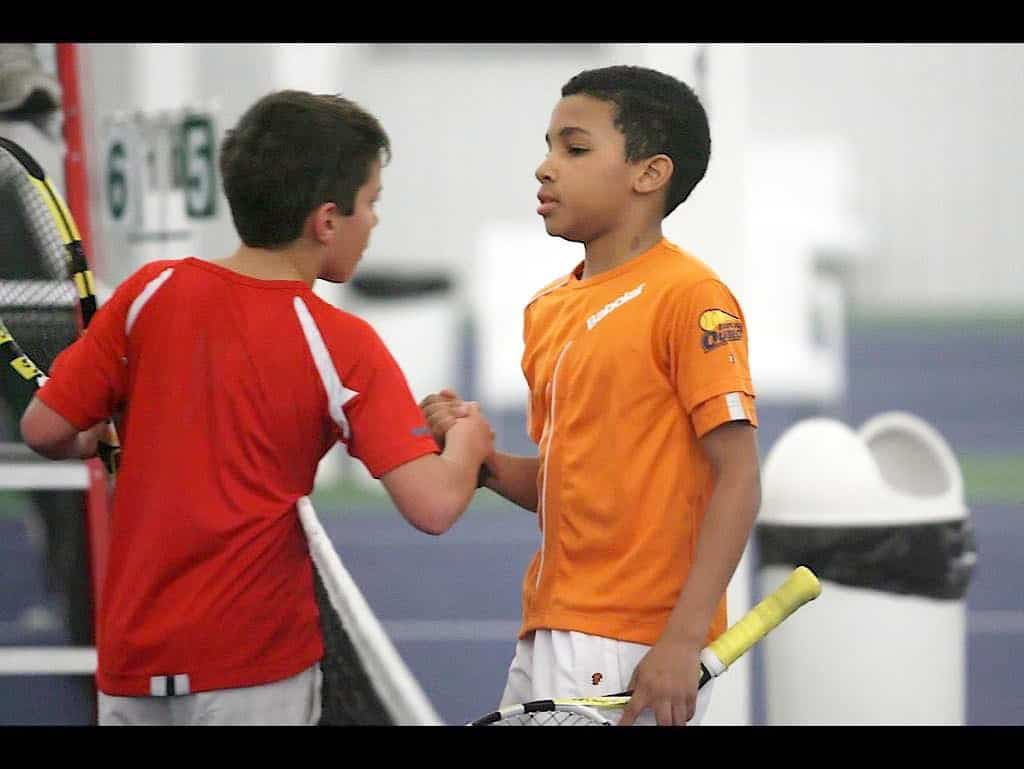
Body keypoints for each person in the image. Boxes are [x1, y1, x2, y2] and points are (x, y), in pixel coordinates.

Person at [19, 89, 493, 726]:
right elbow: (433, 505)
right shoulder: (343, 343)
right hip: (253, 667)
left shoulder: (148, 291)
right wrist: (469, 438)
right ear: (326, 221)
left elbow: (43, 429)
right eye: (372, 203)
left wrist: (93, 432)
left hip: (132, 659)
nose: (375, 222)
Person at [420, 65, 761, 727]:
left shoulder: (690, 297)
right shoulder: (547, 309)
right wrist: (484, 462)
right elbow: (568, 482)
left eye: (573, 149)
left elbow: (739, 476)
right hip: (550, 625)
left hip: (631, 641)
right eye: (547, 146)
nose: (546, 168)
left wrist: (682, 639)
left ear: (649, 173)